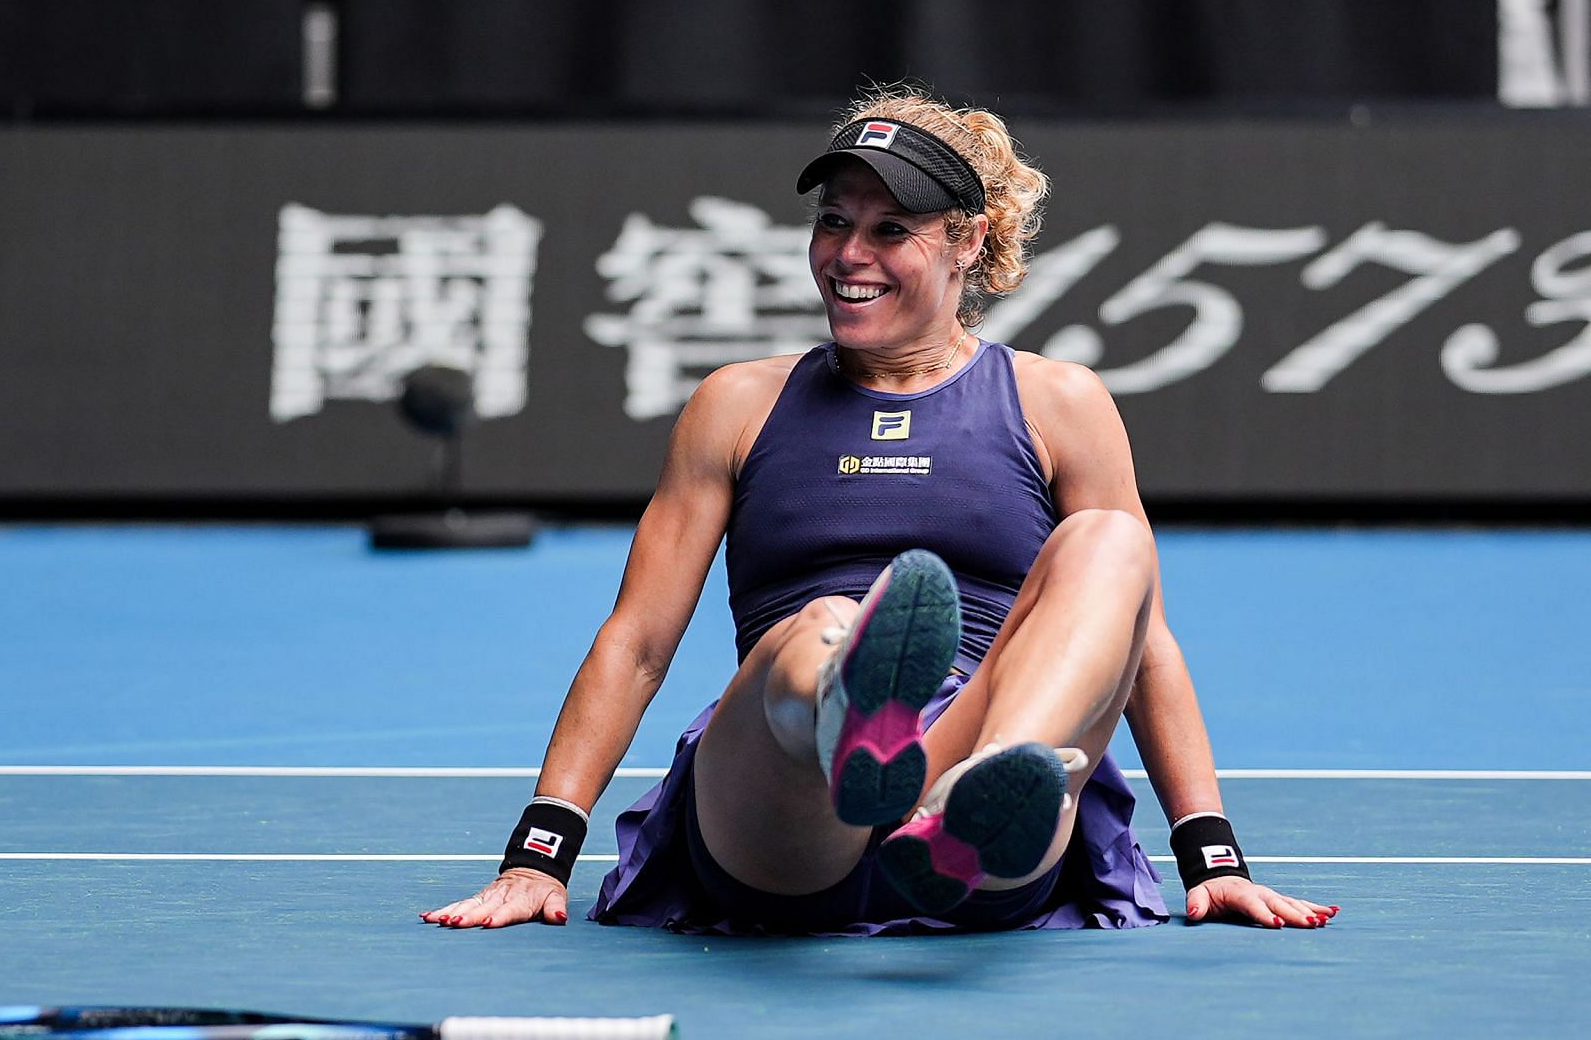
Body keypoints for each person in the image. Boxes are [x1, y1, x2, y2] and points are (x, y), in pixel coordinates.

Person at [423, 87, 1338, 937]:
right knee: (820, 628)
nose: (848, 255)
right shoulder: (738, 404)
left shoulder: (1059, 402)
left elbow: (1141, 643)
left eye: (890, 229)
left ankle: (978, 800)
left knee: (1109, 544)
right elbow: (638, 640)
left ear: (967, 242)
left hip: (975, 768)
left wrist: (1211, 853)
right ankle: (855, 719)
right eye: (832, 223)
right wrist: (538, 855)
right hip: (783, 801)